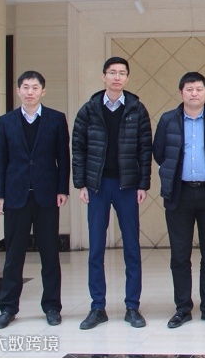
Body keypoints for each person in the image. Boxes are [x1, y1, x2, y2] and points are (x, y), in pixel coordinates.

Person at [72, 57, 153, 330]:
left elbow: (145, 149)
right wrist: (81, 184)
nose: (117, 77)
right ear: (103, 76)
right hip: (97, 186)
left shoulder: (137, 109)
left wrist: (143, 184)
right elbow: (78, 148)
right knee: (96, 248)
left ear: (127, 78)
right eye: (112, 72)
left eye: (122, 73)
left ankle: (132, 306)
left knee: (131, 246)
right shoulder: (89, 110)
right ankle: (98, 307)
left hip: (127, 185)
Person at [153, 72, 205, 328]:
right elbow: (159, 153)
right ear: (181, 93)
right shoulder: (168, 120)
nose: (194, 93)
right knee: (180, 255)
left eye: (199, 89)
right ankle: (182, 308)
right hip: (179, 194)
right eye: (189, 89)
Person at [0, 71, 70, 329]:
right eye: (25, 87)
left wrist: (63, 189)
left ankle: (52, 307)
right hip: (16, 195)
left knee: (50, 253)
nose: (30, 92)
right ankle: (8, 307)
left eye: (35, 87)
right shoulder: (6, 121)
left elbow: (63, 157)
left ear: (43, 91)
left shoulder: (56, 119)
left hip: (47, 195)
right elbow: (0, 160)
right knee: (14, 255)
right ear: (18, 91)